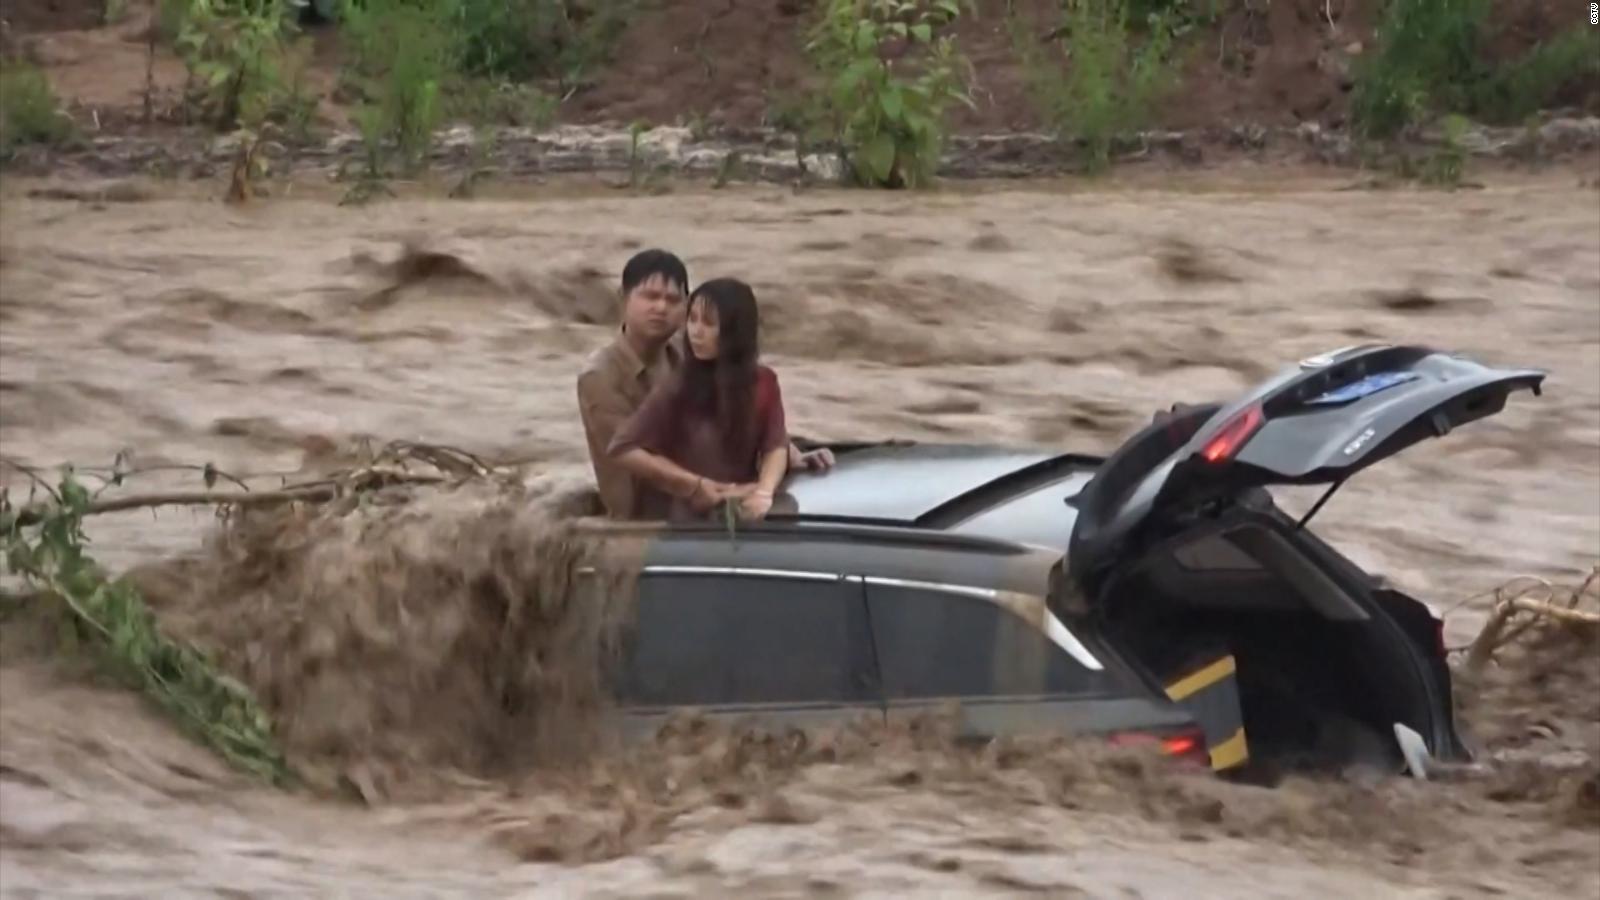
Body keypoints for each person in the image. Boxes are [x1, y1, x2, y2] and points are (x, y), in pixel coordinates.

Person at [576, 249, 832, 519]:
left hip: (708, 500)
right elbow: (635, 453)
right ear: (623, 299)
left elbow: (738, 404)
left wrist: (785, 452)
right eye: (650, 296)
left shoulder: (689, 352)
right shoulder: (600, 375)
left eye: (672, 299)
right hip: (644, 517)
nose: (661, 308)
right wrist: (701, 487)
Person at [607, 278, 790, 522]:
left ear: (735, 330)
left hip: (745, 510)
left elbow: (775, 445)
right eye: (692, 320)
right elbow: (623, 448)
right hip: (690, 522)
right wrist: (695, 485)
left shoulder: (764, 382)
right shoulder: (679, 385)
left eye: (709, 323)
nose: (696, 332)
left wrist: (764, 491)